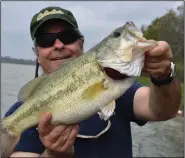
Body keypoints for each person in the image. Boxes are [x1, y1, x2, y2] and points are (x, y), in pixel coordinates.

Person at [4, 6, 181, 158]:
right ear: (37, 53)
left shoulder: (120, 87)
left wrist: (163, 75)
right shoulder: (19, 114)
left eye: (67, 36)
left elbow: (164, 111)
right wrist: (53, 155)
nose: (58, 45)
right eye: (46, 40)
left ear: (81, 43)